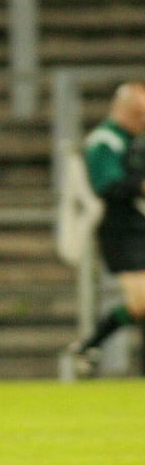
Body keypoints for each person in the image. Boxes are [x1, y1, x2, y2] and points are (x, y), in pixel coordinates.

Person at [68, 81, 145, 376]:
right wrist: (139, 186)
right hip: (120, 228)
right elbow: (106, 185)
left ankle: (89, 347)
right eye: (139, 114)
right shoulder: (105, 140)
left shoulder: (134, 138)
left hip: (138, 222)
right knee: (139, 301)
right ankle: (89, 345)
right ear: (123, 111)